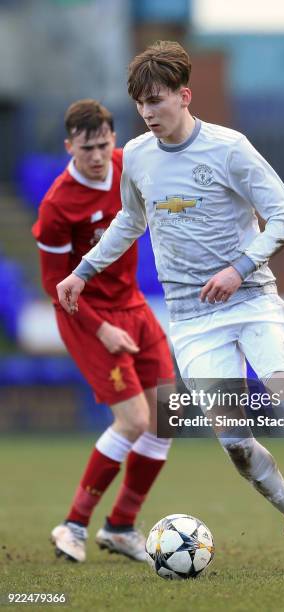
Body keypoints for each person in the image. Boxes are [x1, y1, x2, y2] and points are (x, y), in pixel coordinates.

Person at [56, 43, 284, 573]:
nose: (148, 114)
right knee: (234, 442)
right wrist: (83, 270)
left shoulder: (230, 149)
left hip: (252, 301)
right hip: (191, 319)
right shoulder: (135, 155)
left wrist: (238, 269)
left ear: (184, 96)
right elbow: (130, 221)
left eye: (156, 101)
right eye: (140, 105)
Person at [32, 99, 175, 563]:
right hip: (86, 315)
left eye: (104, 144)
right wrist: (101, 331)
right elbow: (55, 287)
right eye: (86, 147)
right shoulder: (57, 205)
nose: (97, 155)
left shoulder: (127, 164)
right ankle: (72, 524)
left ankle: (120, 526)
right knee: (133, 420)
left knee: (166, 417)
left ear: (114, 140)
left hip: (132, 305)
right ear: (69, 146)